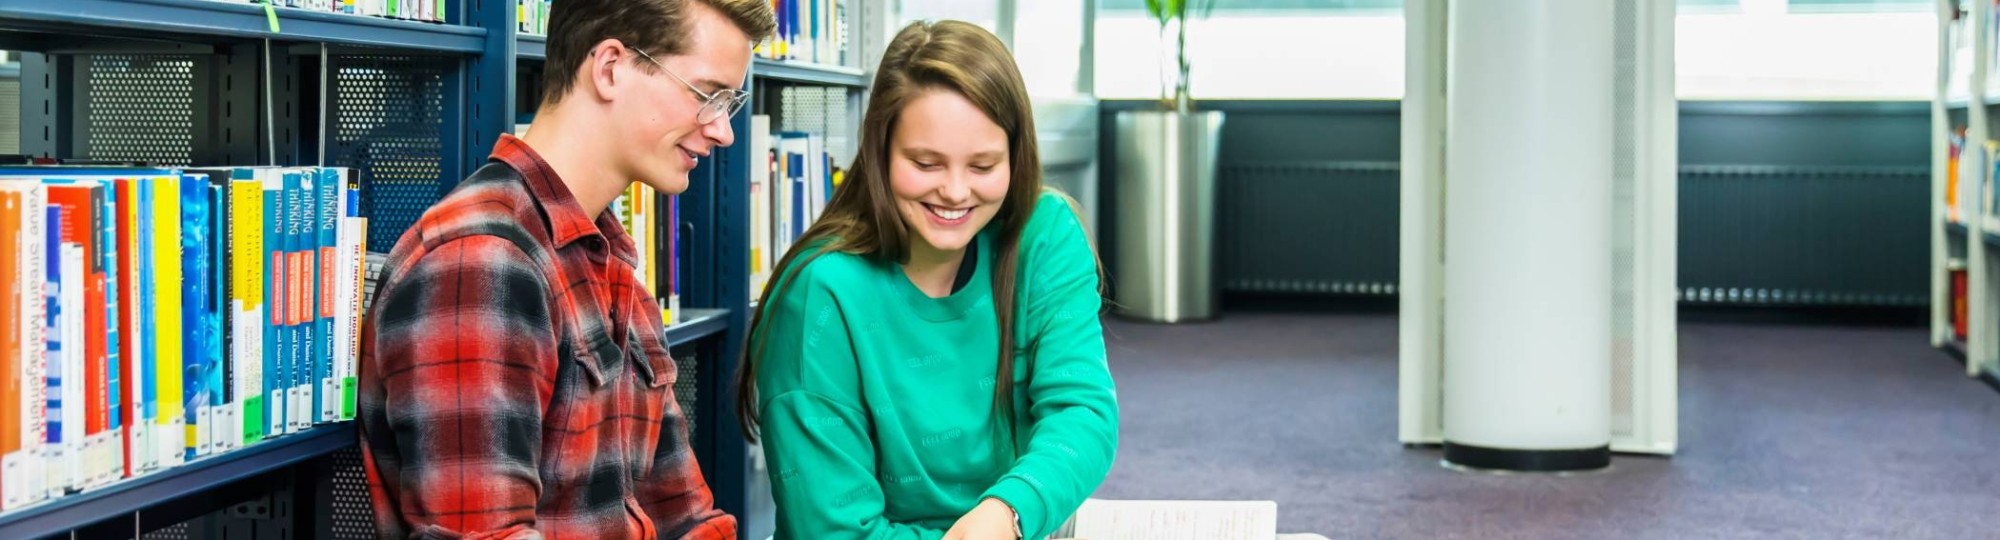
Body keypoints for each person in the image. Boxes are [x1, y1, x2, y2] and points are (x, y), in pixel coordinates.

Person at [355, 0, 773, 537]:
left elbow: (686, 515)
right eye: (706, 95)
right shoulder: (479, 265)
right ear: (610, 68)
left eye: (729, 103)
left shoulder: (611, 267)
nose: (723, 132)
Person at [736, 20, 1119, 540]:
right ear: (880, 152)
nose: (956, 192)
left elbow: (1082, 410)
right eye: (925, 163)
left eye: (983, 165)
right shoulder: (819, 296)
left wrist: (1008, 512)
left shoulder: (1044, 233)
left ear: (1015, 156)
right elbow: (834, 531)